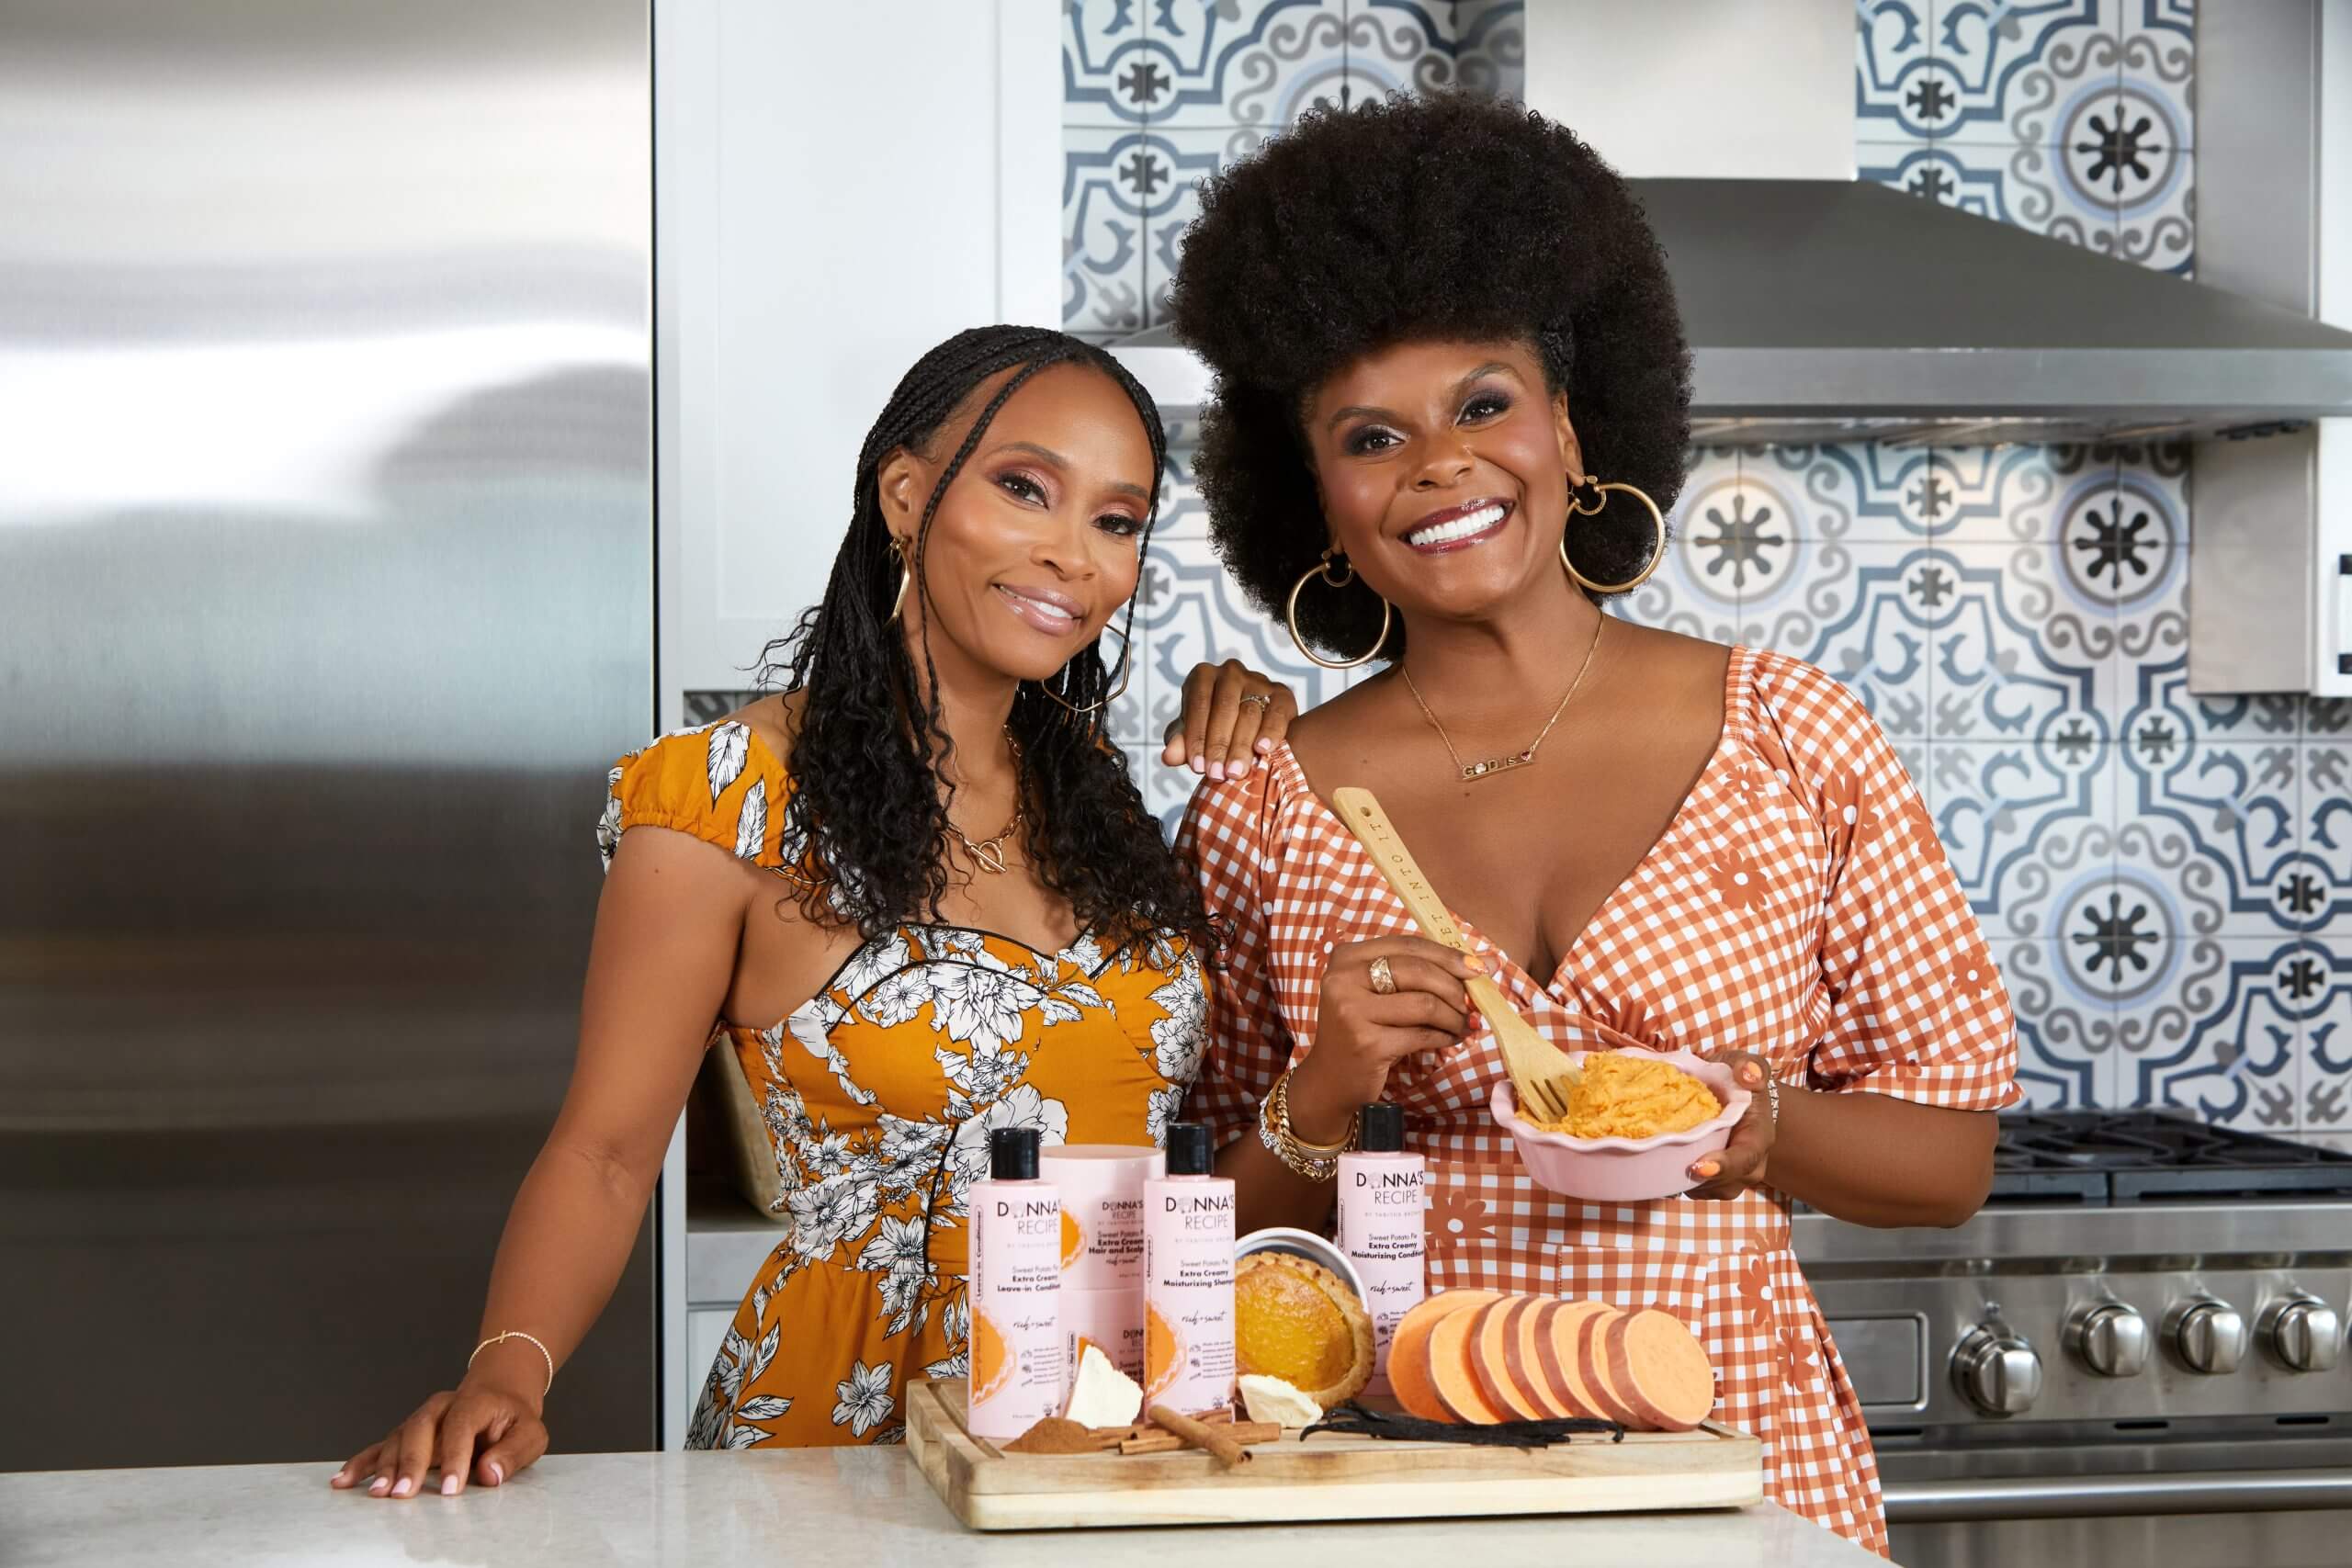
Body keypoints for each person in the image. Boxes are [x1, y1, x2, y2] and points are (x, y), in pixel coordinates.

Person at [1171, 97, 2017, 1554]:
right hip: (1393, 1482)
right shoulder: (1265, 802)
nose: (1441, 462)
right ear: (1317, 500)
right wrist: (1321, 1088)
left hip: (1737, 1461)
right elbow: (1215, 1238)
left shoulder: (1793, 737)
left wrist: (1756, 1128)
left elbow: (1948, 1162)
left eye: (1484, 401)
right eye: (1373, 435)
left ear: (1572, 426)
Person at [334, 325, 1299, 1497]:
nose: (1071, 554)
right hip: (846, 1435)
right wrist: (507, 1378)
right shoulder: (720, 800)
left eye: (1116, 520)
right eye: (1023, 489)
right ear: (906, 494)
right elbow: (601, 1154)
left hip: (1127, 1434)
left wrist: (1257, 718)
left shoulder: (1098, 798)